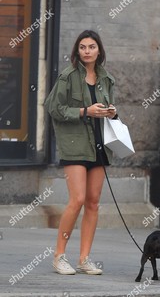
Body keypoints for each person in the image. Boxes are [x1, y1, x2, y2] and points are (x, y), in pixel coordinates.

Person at [44, 30, 117, 275]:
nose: (87, 51)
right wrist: (85, 111)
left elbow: (107, 108)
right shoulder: (68, 76)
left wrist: (111, 112)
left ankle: (84, 259)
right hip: (75, 145)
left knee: (93, 203)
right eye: (82, 47)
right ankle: (58, 256)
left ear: (99, 50)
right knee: (76, 200)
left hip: (99, 144)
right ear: (77, 51)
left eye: (91, 46)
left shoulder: (106, 78)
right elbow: (54, 108)